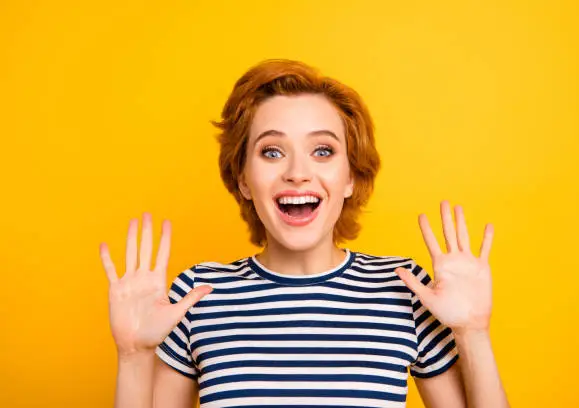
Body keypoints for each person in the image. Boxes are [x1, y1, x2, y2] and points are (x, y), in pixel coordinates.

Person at [99, 59, 510, 408]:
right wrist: (133, 356)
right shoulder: (198, 293)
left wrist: (474, 334)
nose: (297, 172)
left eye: (323, 151)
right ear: (243, 178)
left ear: (350, 175)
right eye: (272, 151)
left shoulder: (403, 289)